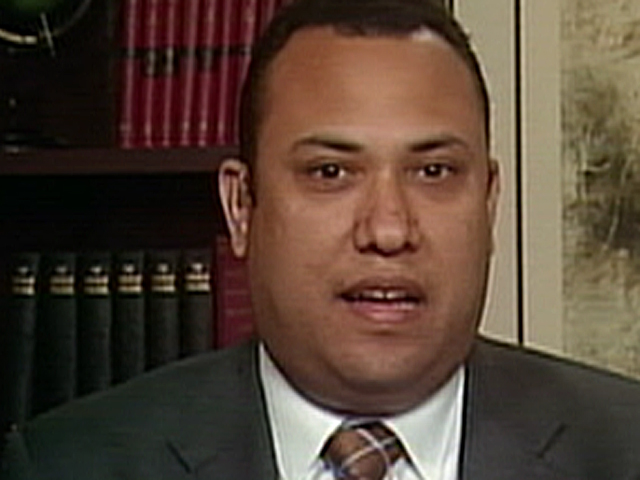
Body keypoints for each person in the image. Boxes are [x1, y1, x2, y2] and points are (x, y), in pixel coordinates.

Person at [2, 0, 639, 479]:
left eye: (434, 172)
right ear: (241, 207)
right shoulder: (68, 464)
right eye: (330, 173)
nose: (388, 230)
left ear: (489, 201)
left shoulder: (624, 448)